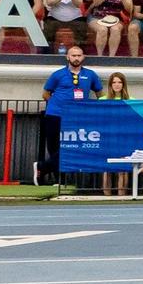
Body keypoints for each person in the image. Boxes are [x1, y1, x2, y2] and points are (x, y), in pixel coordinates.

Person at [39, 43, 102, 186]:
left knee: (73, 145)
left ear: (83, 57)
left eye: (79, 55)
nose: (76, 58)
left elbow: (100, 94)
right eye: (73, 55)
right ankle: (58, 179)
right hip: (55, 115)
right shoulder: (58, 74)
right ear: (67, 57)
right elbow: (46, 93)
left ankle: (42, 167)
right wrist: (57, 105)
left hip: (77, 117)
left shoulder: (90, 75)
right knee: (54, 146)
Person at [100, 71, 134, 196]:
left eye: (120, 82)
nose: (117, 85)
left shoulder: (131, 100)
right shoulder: (102, 100)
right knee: (107, 168)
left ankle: (122, 195)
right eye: (114, 82)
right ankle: (106, 196)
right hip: (108, 138)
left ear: (124, 84)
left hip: (124, 138)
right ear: (110, 84)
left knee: (123, 168)